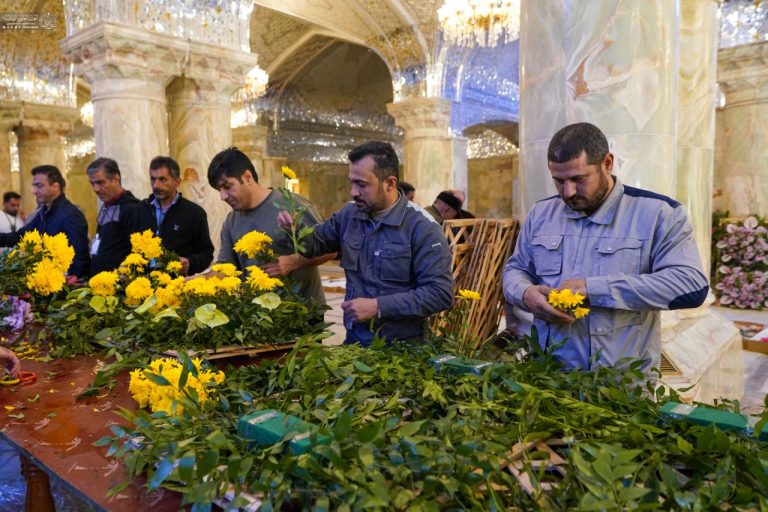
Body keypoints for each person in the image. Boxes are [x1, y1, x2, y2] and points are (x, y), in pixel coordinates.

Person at [503, 122, 709, 373]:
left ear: (607, 163)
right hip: (548, 375)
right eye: (558, 181)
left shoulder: (658, 213)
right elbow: (515, 269)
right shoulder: (541, 213)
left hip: (619, 382)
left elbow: (691, 286)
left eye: (578, 179)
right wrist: (525, 293)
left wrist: (594, 288)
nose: (567, 192)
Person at [277, 141, 454, 346]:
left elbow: (440, 293)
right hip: (355, 342)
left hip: (402, 351)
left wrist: (378, 306)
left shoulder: (422, 227)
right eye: (352, 182)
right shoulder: (349, 215)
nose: (353, 192)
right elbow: (315, 244)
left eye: (362, 184)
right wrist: (293, 231)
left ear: (389, 183)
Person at [207, 147, 333, 307]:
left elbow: (331, 249)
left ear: (247, 177)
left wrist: (294, 262)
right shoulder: (231, 221)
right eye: (219, 190)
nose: (222, 196)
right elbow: (225, 269)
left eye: (227, 186)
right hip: (260, 318)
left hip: (303, 314)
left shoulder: (291, 205)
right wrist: (197, 282)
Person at [0, 166, 90, 278]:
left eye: (39, 186)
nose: (34, 191)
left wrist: (74, 280)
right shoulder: (44, 212)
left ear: (55, 186)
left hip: (66, 284)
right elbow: (21, 236)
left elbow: (80, 256)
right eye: (34, 186)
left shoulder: (71, 214)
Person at [133, 156, 214, 275]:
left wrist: (190, 263)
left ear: (177, 182)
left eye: (162, 179)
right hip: (144, 286)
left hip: (179, 286)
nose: (156, 185)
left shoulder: (194, 213)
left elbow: (206, 253)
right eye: (153, 179)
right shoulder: (140, 210)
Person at [87, 157, 142, 274]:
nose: (96, 189)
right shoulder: (107, 205)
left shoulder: (132, 208)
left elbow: (138, 252)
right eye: (92, 184)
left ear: (116, 179)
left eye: (100, 182)